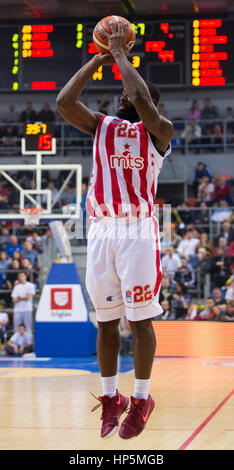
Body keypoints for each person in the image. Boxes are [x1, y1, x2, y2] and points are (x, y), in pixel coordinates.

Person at [56, 19, 173, 440]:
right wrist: (98, 57)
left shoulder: (159, 132)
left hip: (138, 231)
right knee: (106, 323)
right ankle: (112, 397)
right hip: (102, 229)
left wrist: (122, 55)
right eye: (121, 92)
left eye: (130, 93)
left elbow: (142, 95)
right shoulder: (103, 127)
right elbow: (64, 102)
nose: (125, 95)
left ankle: (142, 398)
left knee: (140, 321)